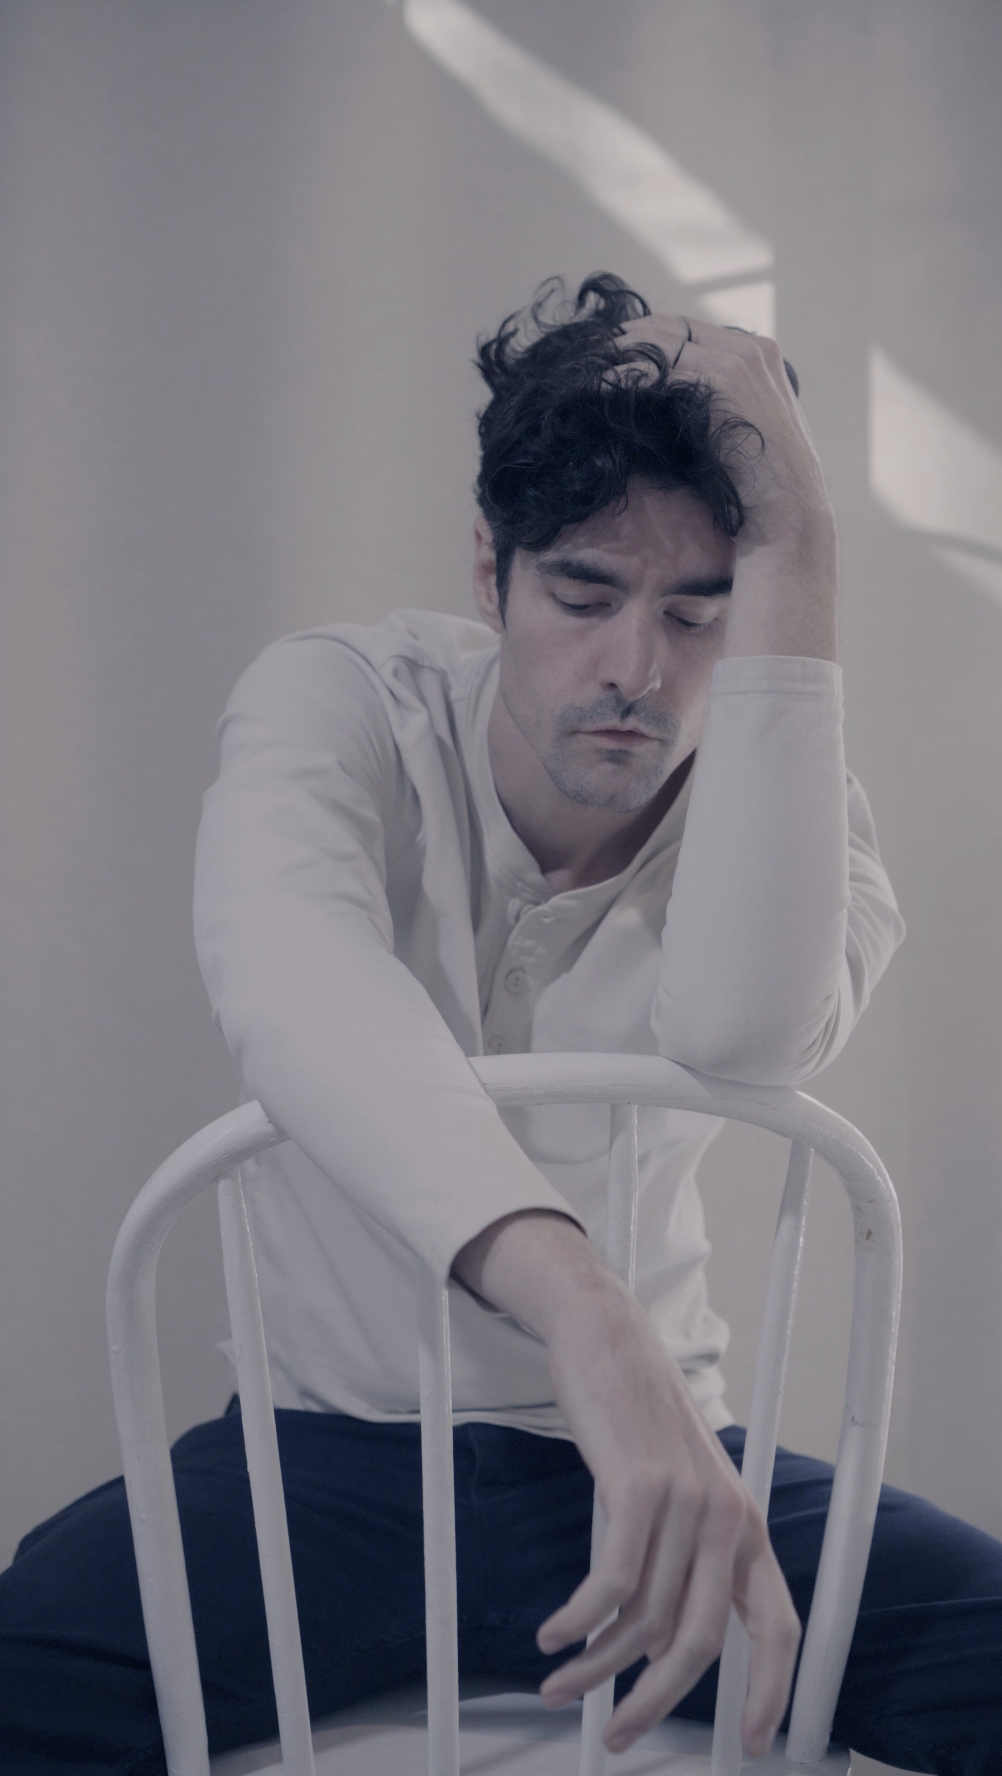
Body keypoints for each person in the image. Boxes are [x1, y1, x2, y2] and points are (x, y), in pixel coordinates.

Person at [1, 274, 999, 1776]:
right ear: (492, 570)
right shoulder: (344, 700)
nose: (635, 670)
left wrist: (800, 536)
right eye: (584, 597)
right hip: (319, 1457)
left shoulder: (793, 808)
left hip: (649, 1468)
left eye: (701, 610)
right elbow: (297, 991)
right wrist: (590, 1318)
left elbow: (743, 1031)